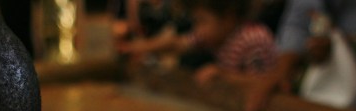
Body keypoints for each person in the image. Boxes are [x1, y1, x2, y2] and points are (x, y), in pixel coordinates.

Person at [119, 0, 278, 85]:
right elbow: (178, 43)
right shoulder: (218, 35)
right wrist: (133, 47)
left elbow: (264, 82)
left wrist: (224, 75)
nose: (198, 29)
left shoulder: (253, 40)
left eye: (203, 21)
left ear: (229, 18)